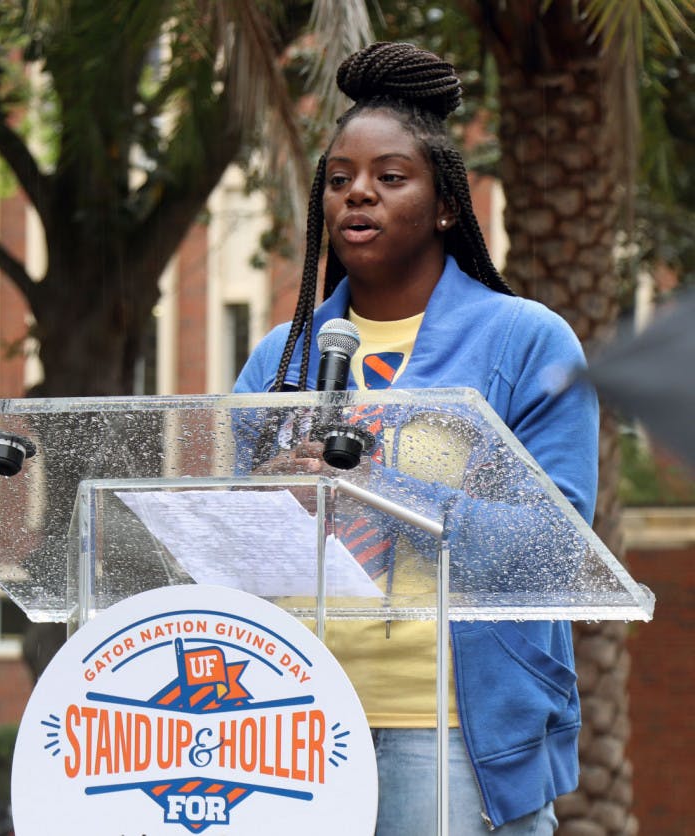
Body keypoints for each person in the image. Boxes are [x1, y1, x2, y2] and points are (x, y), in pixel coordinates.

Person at [233, 41, 599, 834]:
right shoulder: (281, 358)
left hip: (450, 735)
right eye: (338, 180)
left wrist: (376, 487)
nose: (357, 195)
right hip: (291, 724)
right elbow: (229, 542)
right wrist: (264, 504)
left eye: (388, 178)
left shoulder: (524, 344)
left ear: (443, 204)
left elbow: (556, 547)